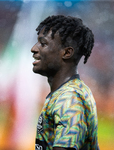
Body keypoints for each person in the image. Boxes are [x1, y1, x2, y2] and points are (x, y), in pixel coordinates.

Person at [31, 15, 99, 150]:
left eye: (43, 44)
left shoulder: (70, 99)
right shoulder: (65, 93)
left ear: (67, 52)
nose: (34, 48)